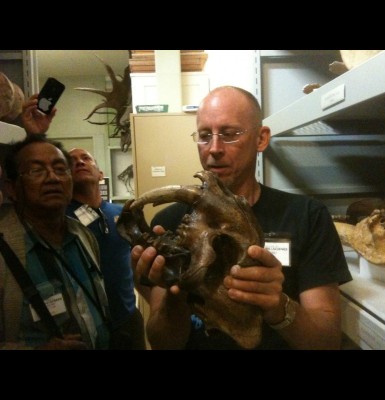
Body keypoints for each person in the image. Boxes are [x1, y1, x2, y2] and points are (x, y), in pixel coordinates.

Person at [131, 86, 352, 350]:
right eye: (204, 136)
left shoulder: (307, 217)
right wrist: (173, 297)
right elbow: (162, 342)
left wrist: (278, 306)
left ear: (261, 138)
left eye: (229, 134)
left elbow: (327, 341)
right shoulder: (168, 221)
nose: (214, 148)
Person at [0, 134, 110, 349]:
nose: (53, 178)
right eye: (36, 170)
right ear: (11, 188)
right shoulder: (4, 250)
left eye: (61, 169)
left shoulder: (83, 236)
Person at [66, 148, 146, 350]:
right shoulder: (60, 219)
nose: (80, 162)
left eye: (86, 158)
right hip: (85, 327)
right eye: (72, 161)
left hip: (127, 318)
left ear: (100, 174)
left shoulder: (122, 213)